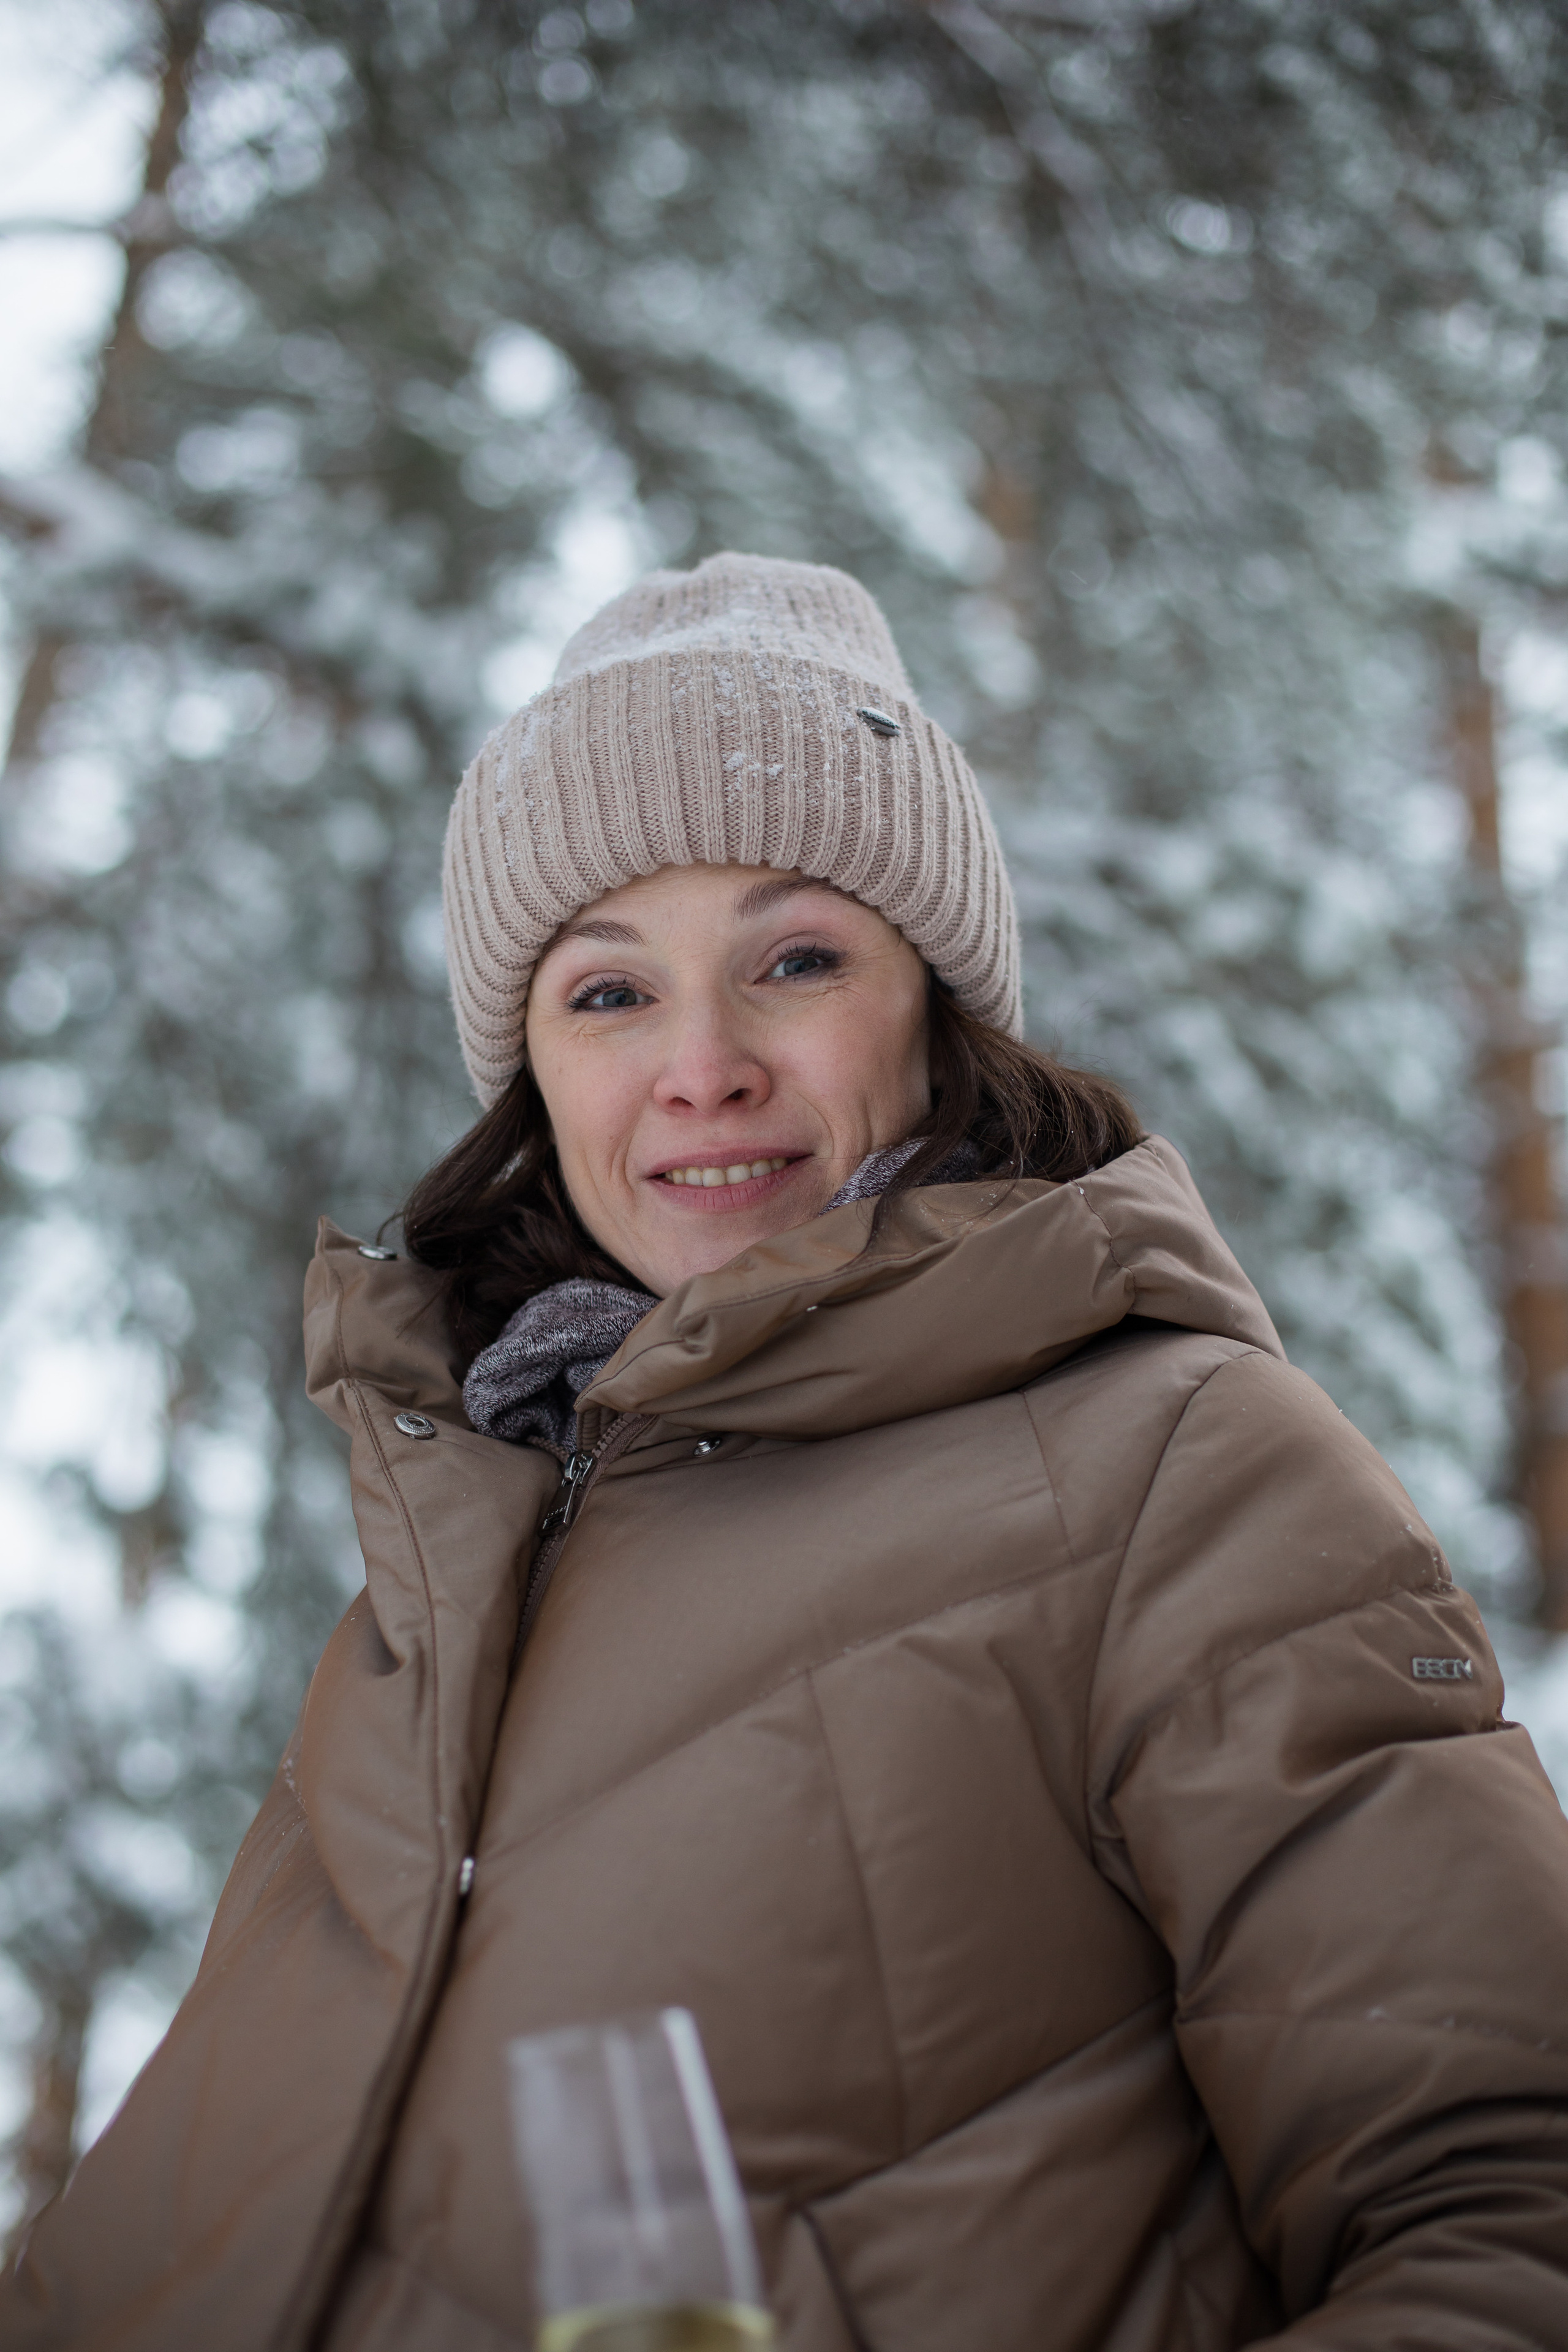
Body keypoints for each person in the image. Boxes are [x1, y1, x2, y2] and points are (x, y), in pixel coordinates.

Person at [7, 553, 1568, 2352]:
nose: (703, 1066)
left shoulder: (1175, 1467)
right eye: (608, 994)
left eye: (797, 960)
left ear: (938, 1011)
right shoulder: (443, 1589)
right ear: (533, 1075)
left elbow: (1507, 2213)